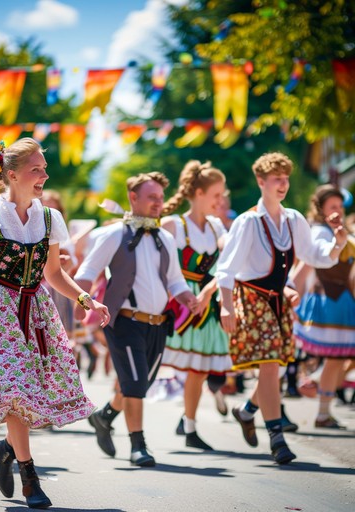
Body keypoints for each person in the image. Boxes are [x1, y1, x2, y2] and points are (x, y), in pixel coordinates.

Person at [0, 138, 109, 509]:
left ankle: (7, 448)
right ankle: (29, 477)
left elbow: (53, 273)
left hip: (36, 311)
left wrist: (86, 298)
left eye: (44, 169)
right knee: (17, 393)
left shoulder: (49, 218)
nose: (44, 175)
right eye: (37, 169)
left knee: (36, 395)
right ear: (13, 175)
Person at [216, 152, 347, 465]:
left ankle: (246, 411)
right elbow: (226, 268)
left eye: (286, 178)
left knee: (272, 367)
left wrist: (339, 243)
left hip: (278, 301)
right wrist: (226, 306)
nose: (283, 184)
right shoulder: (248, 222)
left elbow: (315, 255)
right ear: (261, 182)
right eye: (277, 179)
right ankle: (277, 437)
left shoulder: (293, 219)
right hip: (252, 299)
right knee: (270, 366)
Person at [74, 172, 199, 467]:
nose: (158, 203)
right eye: (151, 197)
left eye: (160, 198)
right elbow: (87, 273)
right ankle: (138, 445)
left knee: (138, 384)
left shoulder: (165, 238)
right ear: (133, 197)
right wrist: (81, 303)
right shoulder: (113, 234)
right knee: (134, 384)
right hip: (124, 321)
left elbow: (175, 281)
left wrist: (188, 299)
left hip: (158, 323)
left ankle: (104, 417)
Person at [160, 160, 232, 450]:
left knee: (199, 369)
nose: (222, 200)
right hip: (178, 304)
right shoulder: (174, 225)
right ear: (199, 193)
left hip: (206, 305)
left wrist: (208, 292)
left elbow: (228, 264)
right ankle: (112, 410)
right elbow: (160, 270)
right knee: (153, 363)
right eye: (217, 194)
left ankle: (189, 426)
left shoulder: (217, 227)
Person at [293, 184, 355, 428]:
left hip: (342, 302)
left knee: (337, 359)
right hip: (328, 301)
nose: (337, 211)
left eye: (340, 206)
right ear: (321, 209)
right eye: (332, 206)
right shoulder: (319, 232)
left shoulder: (340, 231)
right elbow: (308, 264)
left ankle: (321, 404)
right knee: (334, 358)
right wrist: (290, 294)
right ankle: (320, 409)